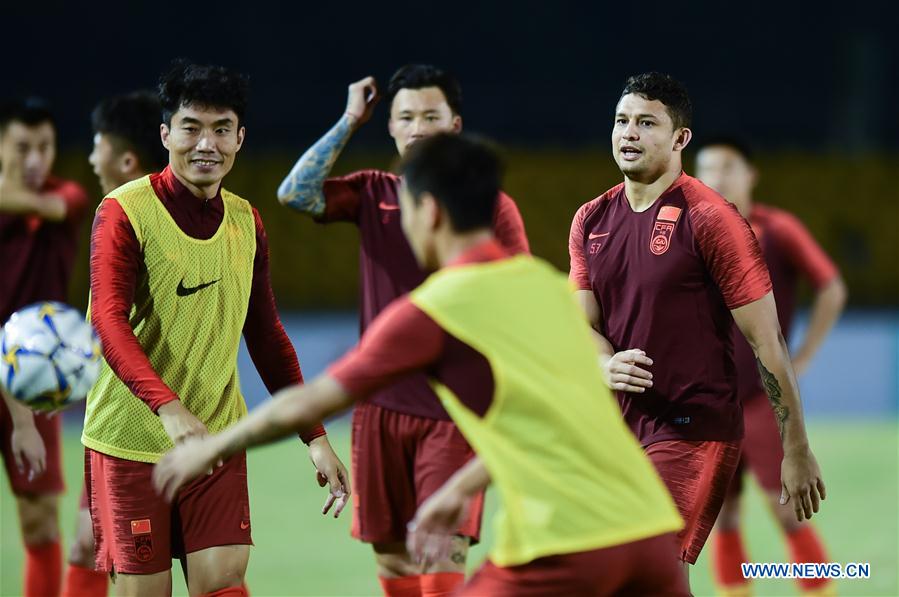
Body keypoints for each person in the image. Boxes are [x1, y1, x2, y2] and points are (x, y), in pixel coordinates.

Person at [154, 133, 691, 596]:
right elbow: (556, 421)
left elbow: (315, 398)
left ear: (428, 210)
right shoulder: (547, 287)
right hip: (650, 536)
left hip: (569, 545)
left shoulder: (437, 309)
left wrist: (216, 445)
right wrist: (458, 490)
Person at [80, 61, 348, 597]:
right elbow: (108, 322)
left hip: (217, 439)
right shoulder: (124, 211)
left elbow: (267, 336)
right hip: (129, 443)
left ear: (240, 138)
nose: (207, 144)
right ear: (166, 134)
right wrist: (167, 406)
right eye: (191, 128)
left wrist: (314, 435)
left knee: (224, 585)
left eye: (222, 129)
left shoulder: (247, 222)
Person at [276, 64, 529, 596]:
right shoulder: (373, 192)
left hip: (455, 412)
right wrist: (349, 120)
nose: (418, 128)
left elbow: (518, 296)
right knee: (393, 566)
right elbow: (293, 194)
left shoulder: (491, 207)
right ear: (389, 127)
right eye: (406, 117)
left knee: (439, 556)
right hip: (379, 413)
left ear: (454, 125)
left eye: (430, 116)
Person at [567, 72, 826, 590]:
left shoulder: (711, 218)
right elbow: (583, 326)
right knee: (637, 577)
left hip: (694, 428)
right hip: (619, 431)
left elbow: (766, 340)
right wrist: (602, 363)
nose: (629, 134)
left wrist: (796, 446)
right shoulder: (590, 219)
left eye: (646, 123)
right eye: (622, 121)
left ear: (680, 138)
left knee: (648, 563)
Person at [696, 137, 846, 597]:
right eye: (707, 169)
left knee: (788, 508)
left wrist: (804, 354)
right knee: (722, 517)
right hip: (710, 402)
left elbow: (831, 287)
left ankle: (821, 590)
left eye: (727, 167)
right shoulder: (693, 231)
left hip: (763, 399)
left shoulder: (777, 229)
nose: (716, 177)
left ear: (750, 174)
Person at [60, 90, 170, 597]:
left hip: (134, 431)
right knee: (87, 546)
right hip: (117, 422)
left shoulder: (139, 219)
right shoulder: (117, 218)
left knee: (204, 569)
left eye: (97, 144)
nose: (89, 156)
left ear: (125, 158)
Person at [0, 97, 89, 597]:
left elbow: (48, 205)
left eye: (45, 147)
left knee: (39, 522)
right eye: (21, 147)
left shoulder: (68, 197)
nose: (35, 160)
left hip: (33, 380)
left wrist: (20, 420)